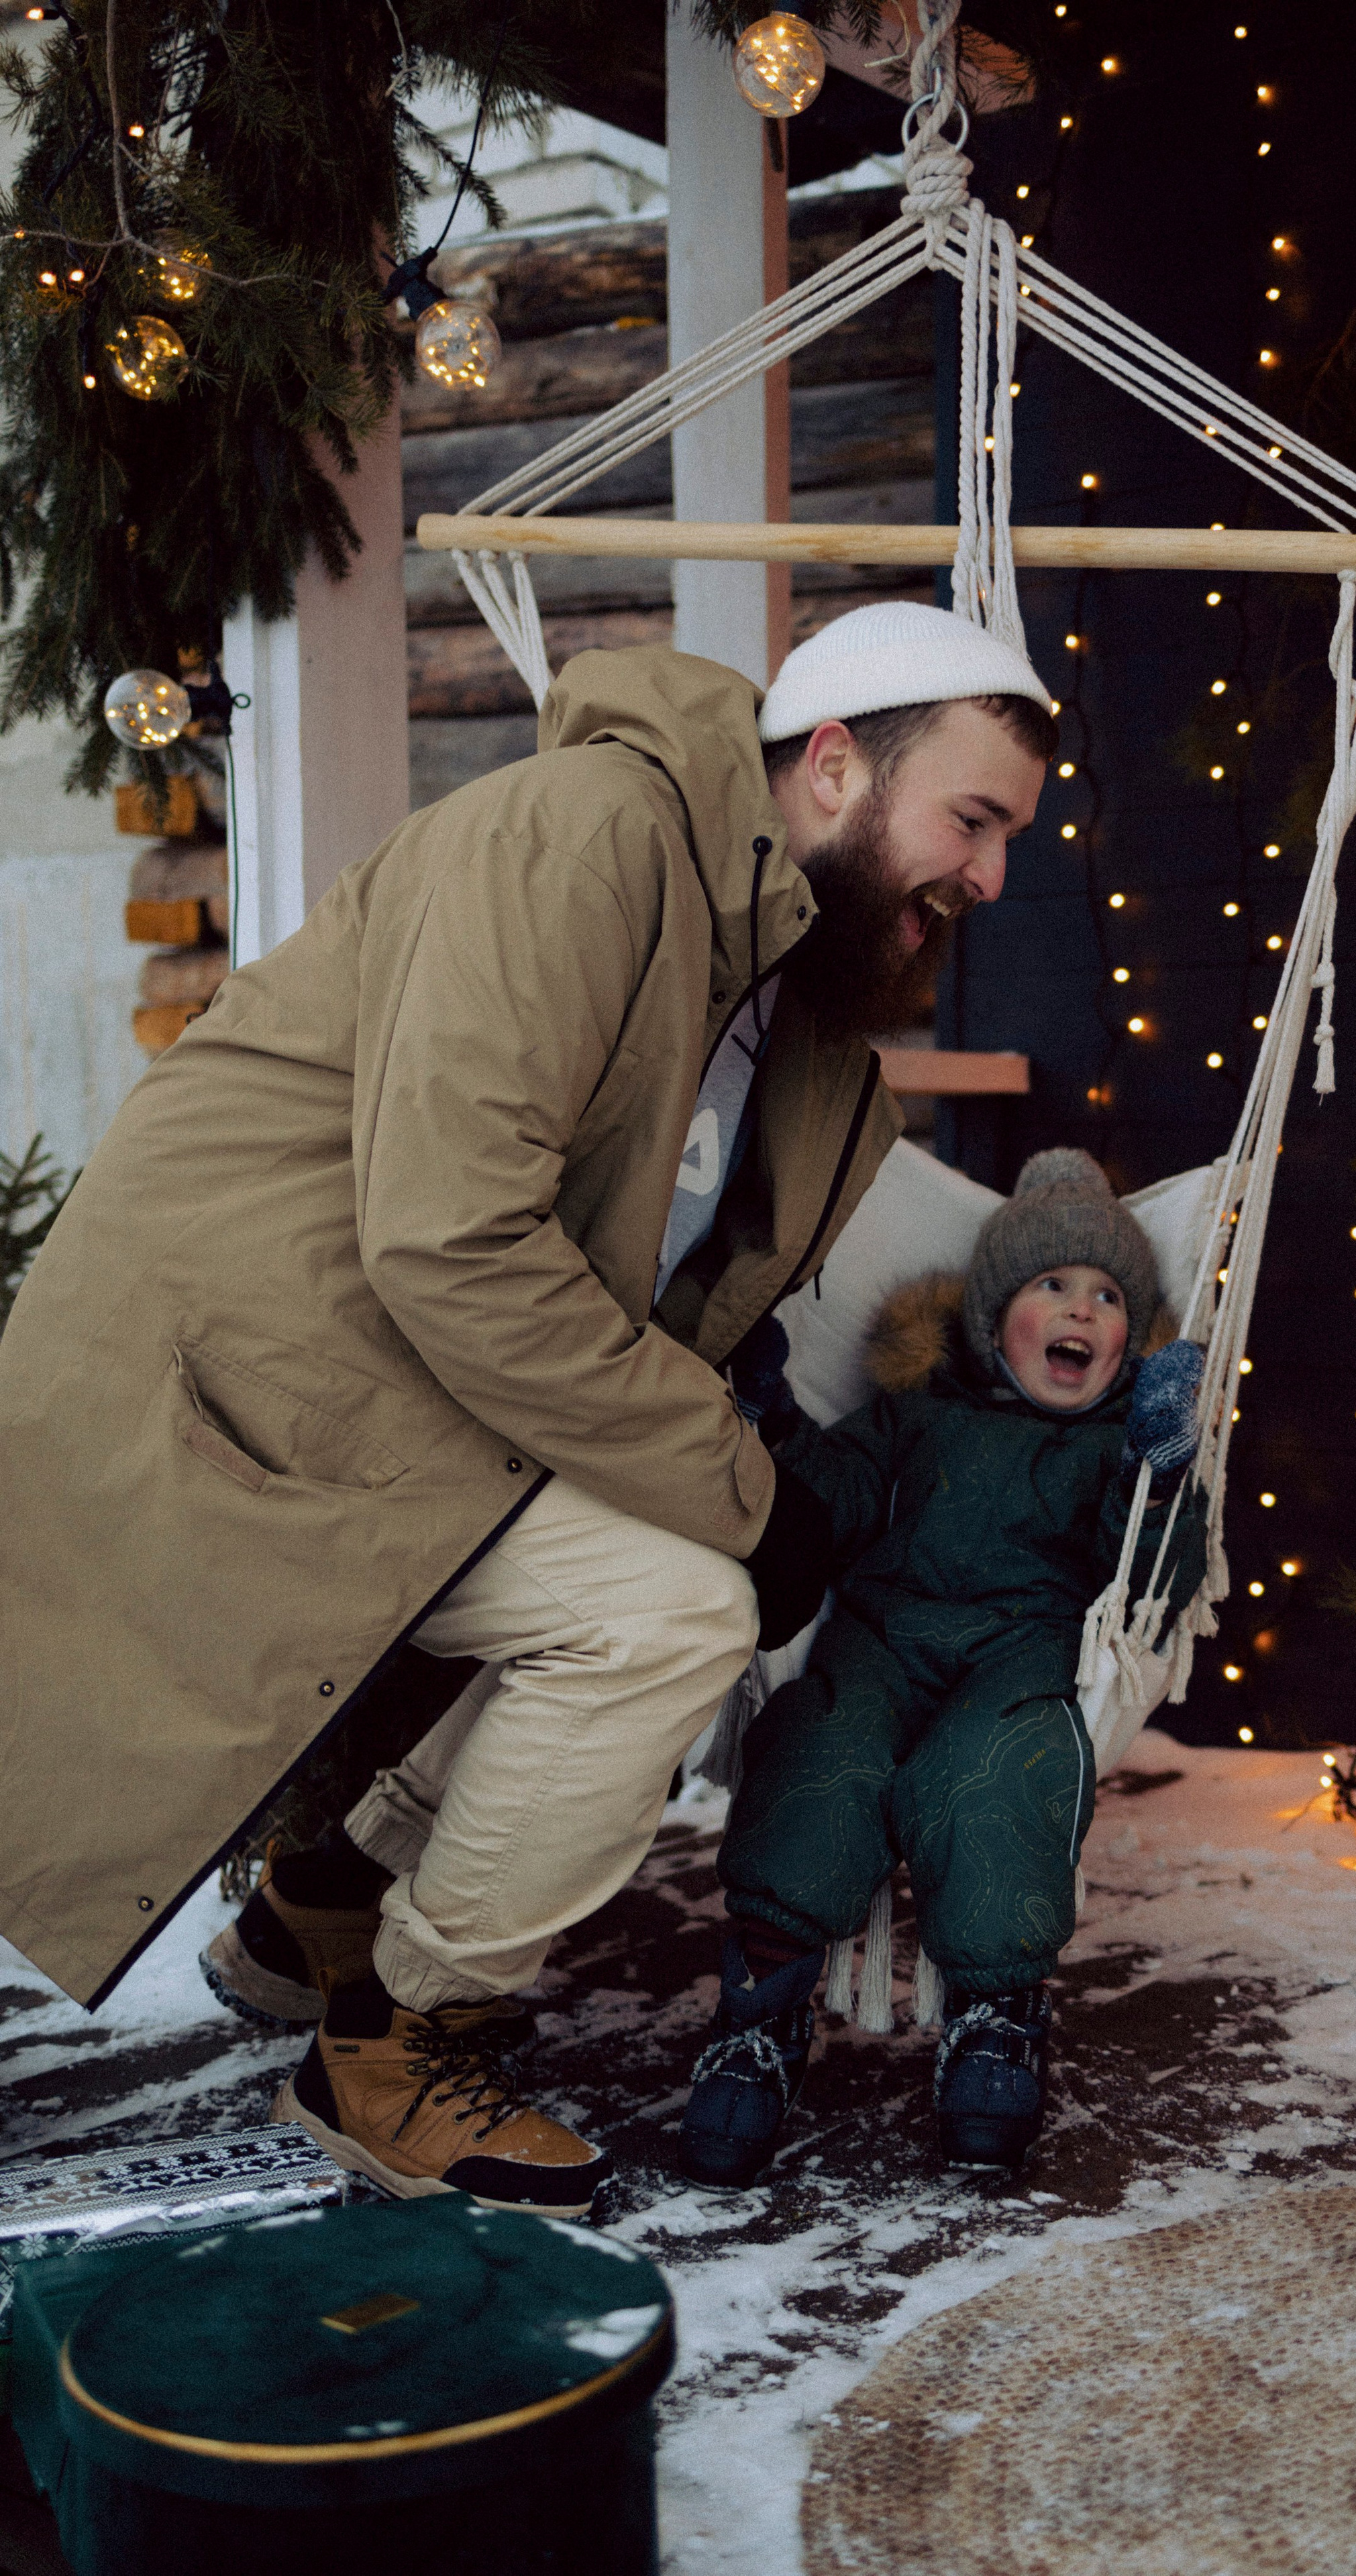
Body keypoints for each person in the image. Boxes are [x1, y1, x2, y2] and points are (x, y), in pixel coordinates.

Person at [0, 600, 1055, 2212]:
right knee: (668, 1614)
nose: (987, 876)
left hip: (429, 1398)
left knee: (667, 1564)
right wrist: (740, 1496)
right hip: (261, 1373)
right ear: (836, 765)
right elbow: (452, 1239)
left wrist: (757, 1468)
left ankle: (328, 1902)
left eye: (1007, 840)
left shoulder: (804, 1028)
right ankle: (399, 2042)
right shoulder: (583, 840)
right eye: (971, 821)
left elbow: (679, 1312)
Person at [678, 1148, 1207, 2188]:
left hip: (1020, 1654)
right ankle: (759, 2020)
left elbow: (1150, 1582)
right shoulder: (913, 1414)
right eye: (1052, 1285)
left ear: (1129, 1339)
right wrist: (770, 1416)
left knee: (1000, 1772)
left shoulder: (1114, 1449)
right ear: (991, 1318)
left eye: (1109, 1297)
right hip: (879, 1641)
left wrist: (1161, 1468)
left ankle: (996, 2017)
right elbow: (822, 1503)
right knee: (820, 1751)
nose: (1081, 1310)